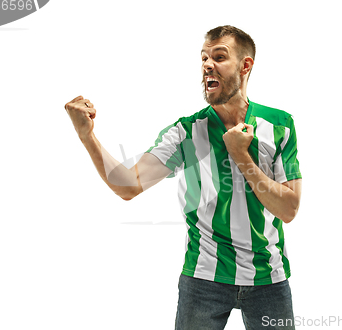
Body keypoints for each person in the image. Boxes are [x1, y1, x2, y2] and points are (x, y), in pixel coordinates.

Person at [65, 25, 302, 330]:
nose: (207, 65)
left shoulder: (280, 124)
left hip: (269, 279)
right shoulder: (186, 131)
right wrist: (87, 137)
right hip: (203, 282)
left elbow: (289, 209)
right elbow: (127, 185)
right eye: (204, 57)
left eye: (219, 56)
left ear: (245, 66)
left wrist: (241, 156)